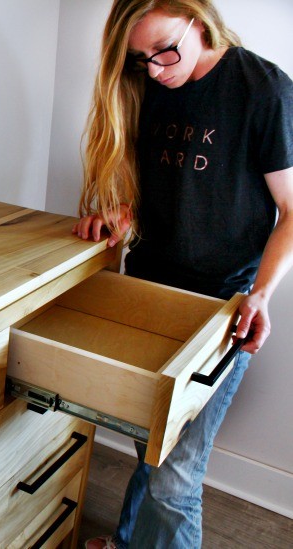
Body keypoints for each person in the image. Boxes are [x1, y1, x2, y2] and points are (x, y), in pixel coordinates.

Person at [71, 1, 293, 547]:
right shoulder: (143, 84)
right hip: (147, 294)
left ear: (196, 18)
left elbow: (292, 211)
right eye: (139, 59)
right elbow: (156, 185)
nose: (156, 70)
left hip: (222, 308)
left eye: (165, 49)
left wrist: (260, 295)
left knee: (177, 477)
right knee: (155, 444)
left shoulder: (262, 89)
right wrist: (119, 214)